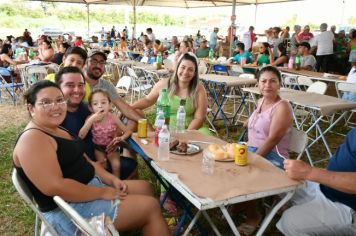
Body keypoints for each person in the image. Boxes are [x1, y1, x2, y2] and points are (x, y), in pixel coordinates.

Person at [13, 80, 170, 235]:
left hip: (87, 188)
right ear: (31, 108)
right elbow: (55, 187)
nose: (55, 106)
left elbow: (87, 162)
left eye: (59, 100)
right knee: (151, 207)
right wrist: (102, 193)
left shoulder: (56, 128)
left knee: (147, 188)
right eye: (46, 102)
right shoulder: (32, 139)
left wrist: (112, 180)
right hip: (70, 210)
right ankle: (147, 219)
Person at [235, 66, 292, 235]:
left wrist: (252, 158)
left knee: (246, 173)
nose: (268, 85)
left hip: (274, 157)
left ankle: (254, 216)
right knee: (225, 165)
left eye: (273, 81)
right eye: (264, 81)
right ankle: (239, 202)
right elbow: (257, 126)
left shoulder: (282, 106)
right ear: (258, 84)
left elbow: (272, 139)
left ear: (279, 84)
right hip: (253, 149)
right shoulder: (261, 102)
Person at [55, 67, 137, 180]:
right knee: (132, 169)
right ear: (58, 88)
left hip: (105, 152)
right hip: (85, 169)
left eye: (80, 85)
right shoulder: (57, 118)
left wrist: (117, 137)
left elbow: (110, 123)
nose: (77, 90)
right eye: (70, 85)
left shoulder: (85, 107)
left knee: (131, 165)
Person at [277, 128, 356, 235]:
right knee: (281, 183)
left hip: (347, 206)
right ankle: (305, 209)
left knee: (290, 222)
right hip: (327, 187)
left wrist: (309, 172)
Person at [132, 52, 211, 135]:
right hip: (165, 128)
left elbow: (199, 118)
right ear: (177, 68)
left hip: (191, 129)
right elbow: (148, 100)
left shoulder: (199, 89)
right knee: (135, 112)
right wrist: (129, 108)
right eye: (183, 67)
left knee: (207, 142)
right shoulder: (164, 84)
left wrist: (185, 135)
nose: (185, 72)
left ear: (195, 73)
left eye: (190, 70)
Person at [79, 88, 132, 178]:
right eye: (95, 104)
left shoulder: (113, 117)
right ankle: (106, 186)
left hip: (112, 147)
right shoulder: (90, 119)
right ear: (91, 108)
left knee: (116, 166)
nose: (100, 106)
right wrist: (90, 121)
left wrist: (121, 138)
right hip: (98, 148)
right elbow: (80, 136)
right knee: (103, 168)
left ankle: (117, 188)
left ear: (110, 105)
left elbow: (127, 131)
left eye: (103, 102)